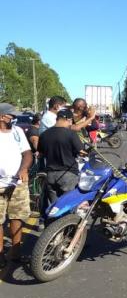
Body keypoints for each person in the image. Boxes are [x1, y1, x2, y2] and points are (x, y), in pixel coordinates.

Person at [0, 103, 33, 267]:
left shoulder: (17, 132)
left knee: (17, 217)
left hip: (17, 184)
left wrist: (24, 168)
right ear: (1, 117)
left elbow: (27, 153)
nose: (14, 118)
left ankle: (16, 253)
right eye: (11, 116)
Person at [38, 109, 85, 206]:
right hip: (68, 174)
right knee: (68, 207)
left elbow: (41, 153)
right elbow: (82, 152)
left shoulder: (44, 135)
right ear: (68, 119)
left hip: (50, 175)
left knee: (54, 208)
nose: (71, 123)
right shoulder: (70, 134)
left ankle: (53, 221)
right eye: (71, 121)